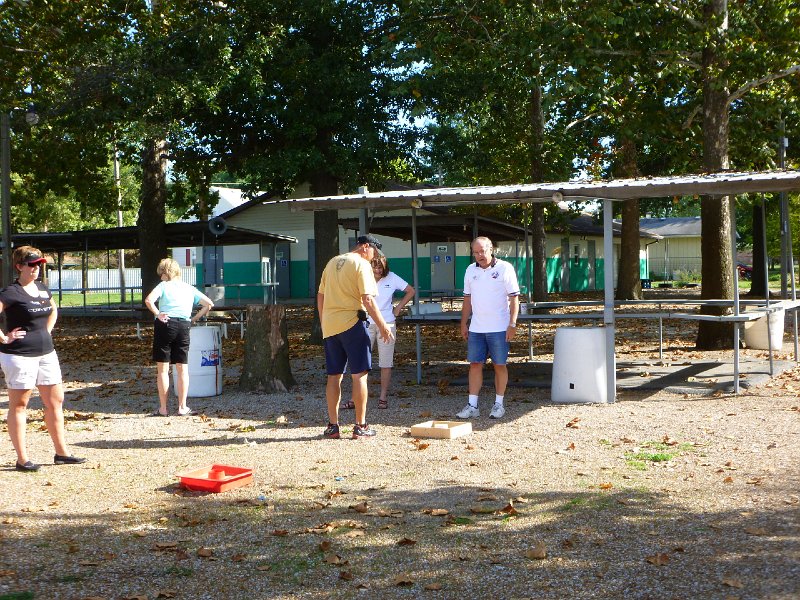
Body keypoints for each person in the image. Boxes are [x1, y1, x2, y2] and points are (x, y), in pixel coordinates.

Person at [0, 246, 86, 472]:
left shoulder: (42, 288)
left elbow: (53, 310)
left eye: (39, 264)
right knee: (20, 404)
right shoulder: (11, 292)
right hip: (19, 355)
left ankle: (62, 453)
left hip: (47, 353)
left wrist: (46, 331)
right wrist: (4, 337)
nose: (36, 268)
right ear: (19, 266)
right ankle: (22, 459)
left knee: (55, 401)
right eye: (32, 264)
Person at [317, 234, 393, 439]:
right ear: (365, 247)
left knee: (334, 375)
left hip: (330, 326)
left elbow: (320, 295)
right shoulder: (361, 264)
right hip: (352, 323)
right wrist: (383, 325)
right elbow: (367, 299)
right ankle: (361, 426)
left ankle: (333, 426)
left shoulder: (332, 262)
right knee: (359, 374)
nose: (374, 258)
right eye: (374, 253)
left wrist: (324, 321)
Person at [456, 236, 520, 420]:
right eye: (475, 252)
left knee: (499, 364)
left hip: (499, 327)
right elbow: (467, 299)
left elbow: (514, 298)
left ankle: (499, 404)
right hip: (476, 328)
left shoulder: (505, 268)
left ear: (491, 249)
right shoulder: (470, 270)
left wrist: (512, 324)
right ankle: (472, 405)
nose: (479, 255)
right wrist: (463, 323)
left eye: (482, 251)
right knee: (475, 364)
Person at [144, 258, 214, 417]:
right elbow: (209, 304)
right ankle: (182, 407)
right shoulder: (189, 288)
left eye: (161, 273)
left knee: (163, 369)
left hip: (165, 324)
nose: (160, 277)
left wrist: (158, 313)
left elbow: (149, 300)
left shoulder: (163, 286)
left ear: (166, 273)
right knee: (182, 368)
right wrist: (193, 319)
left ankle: (163, 409)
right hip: (184, 326)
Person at [365, 254, 415, 409]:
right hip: (366, 322)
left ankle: (383, 396)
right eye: (375, 267)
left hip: (387, 323)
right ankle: (357, 396)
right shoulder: (364, 277)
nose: (378, 270)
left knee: (386, 362)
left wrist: (398, 308)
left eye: (381, 267)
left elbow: (410, 291)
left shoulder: (392, 277)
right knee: (361, 361)